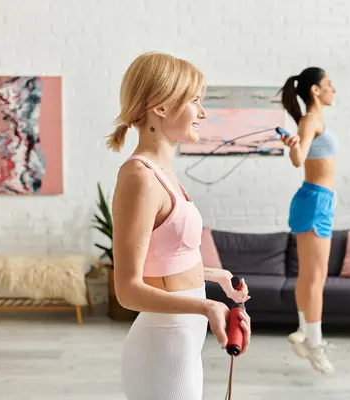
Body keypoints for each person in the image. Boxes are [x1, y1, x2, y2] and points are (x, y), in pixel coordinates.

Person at [107, 51, 252, 400]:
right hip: (162, 349)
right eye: (196, 101)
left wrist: (218, 278)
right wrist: (206, 306)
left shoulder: (163, 174)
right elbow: (127, 290)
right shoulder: (139, 177)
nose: (202, 113)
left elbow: (163, 261)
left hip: (182, 342)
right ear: (160, 105)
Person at [278, 67, 337, 375]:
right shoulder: (310, 120)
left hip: (318, 201)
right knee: (315, 279)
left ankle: (303, 332)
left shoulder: (312, 121)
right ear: (315, 90)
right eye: (329, 85)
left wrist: (296, 146)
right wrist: (295, 147)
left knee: (310, 276)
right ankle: (315, 346)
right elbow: (299, 160)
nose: (333, 90)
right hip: (315, 201)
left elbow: (301, 155)